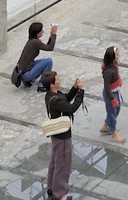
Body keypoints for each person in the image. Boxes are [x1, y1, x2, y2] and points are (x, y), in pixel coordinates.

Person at [41, 71, 85, 200]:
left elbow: (66, 99)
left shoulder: (51, 95)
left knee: (55, 162)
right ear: (52, 84)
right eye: (57, 79)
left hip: (56, 134)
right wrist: (81, 91)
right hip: (63, 136)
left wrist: (75, 87)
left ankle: (52, 187)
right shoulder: (56, 100)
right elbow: (71, 108)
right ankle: (59, 194)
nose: (60, 79)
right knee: (63, 165)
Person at [12, 21, 56, 89]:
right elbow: (50, 48)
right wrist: (54, 34)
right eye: (41, 30)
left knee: (45, 62)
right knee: (49, 61)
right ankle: (42, 85)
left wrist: (51, 35)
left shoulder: (32, 40)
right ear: (37, 33)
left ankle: (29, 80)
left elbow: (47, 46)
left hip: (23, 71)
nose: (43, 31)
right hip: (25, 74)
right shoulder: (35, 42)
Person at [100, 46, 125, 143]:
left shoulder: (115, 64)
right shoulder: (107, 72)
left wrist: (119, 80)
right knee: (112, 113)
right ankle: (114, 134)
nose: (119, 56)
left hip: (116, 91)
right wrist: (112, 99)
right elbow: (107, 89)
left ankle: (105, 125)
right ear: (112, 57)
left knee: (116, 110)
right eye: (117, 54)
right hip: (110, 94)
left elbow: (117, 74)